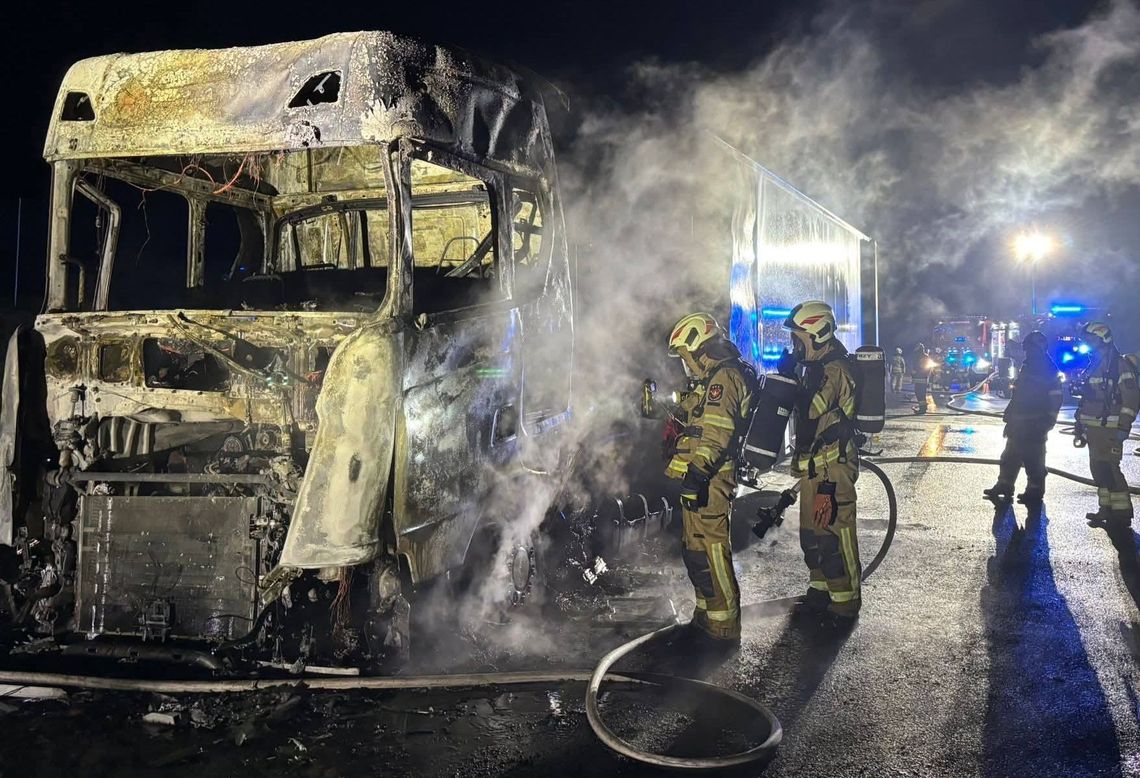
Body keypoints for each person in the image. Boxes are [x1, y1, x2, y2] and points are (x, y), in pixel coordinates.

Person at [664, 313, 755, 645]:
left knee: (712, 548)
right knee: (696, 547)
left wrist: (697, 476)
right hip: (702, 477)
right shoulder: (711, 378)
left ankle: (724, 625)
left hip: (711, 479)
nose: (684, 363)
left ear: (697, 347)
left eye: (684, 356)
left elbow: (716, 434)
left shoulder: (724, 379)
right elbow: (692, 415)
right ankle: (707, 612)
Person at [782, 301, 862, 623]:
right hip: (816, 466)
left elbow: (813, 408)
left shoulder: (835, 369)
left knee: (833, 534)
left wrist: (789, 380)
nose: (794, 346)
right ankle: (820, 591)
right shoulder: (816, 369)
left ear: (818, 334)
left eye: (798, 339)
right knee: (812, 535)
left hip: (834, 466)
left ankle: (845, 603)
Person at [982, 331, 1062, 506]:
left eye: (1029, 349)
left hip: (1035, 423)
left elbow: (1055, 397)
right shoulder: (1029, 366)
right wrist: (1010, 413)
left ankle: (1035, 491)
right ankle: (1005, 485)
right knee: (1009, 456)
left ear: (1037, 349)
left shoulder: (1047, 369)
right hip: (1018, 423)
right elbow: (1020, 394)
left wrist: (1048, 421)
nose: (1027, 352)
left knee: (1034, 459)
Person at [1075, 322, 1138, 527]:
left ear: (1102, 339)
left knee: (1110, 468)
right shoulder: (1095, 363)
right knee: (1098, 468)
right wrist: (1080, 423)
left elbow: (1131, 398)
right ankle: (1106, 508)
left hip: (1110, 428)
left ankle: (1122, 512)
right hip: (1094, 428)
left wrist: (1123, 426)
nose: (1087, 344)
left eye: (1091, 340)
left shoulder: (1118, 365)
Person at [912, 343, 931, 414]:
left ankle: (922, 409)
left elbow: (918, 366)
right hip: (923, 377)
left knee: (919, 393)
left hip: (920, 377)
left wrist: (915, 371)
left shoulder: (919, 357)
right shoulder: (926, 356)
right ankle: (923, 407)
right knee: (921, 393)